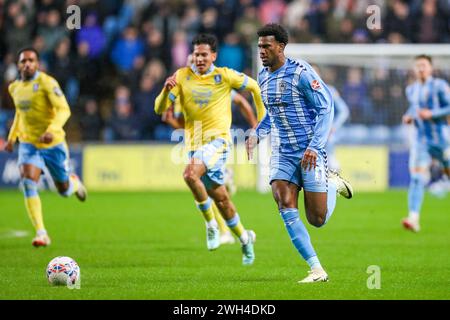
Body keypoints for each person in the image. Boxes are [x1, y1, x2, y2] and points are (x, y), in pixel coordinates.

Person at [246, 24, 353, 283]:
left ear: (281, 47)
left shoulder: (301, 72)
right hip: (282, 152)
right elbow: (272, 114)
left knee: (317, 219)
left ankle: (333, 182)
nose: (261, 51)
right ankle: (316, 269)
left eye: (266, 46)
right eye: (259, 46)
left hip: (309, 152)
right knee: (282, 201)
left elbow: (326, 108)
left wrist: (315, 146)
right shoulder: (263, 77)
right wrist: (257, 133)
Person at [155, 34, 265, 265]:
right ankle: (246, 240)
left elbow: (254, 87)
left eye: (204, 54)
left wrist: (259, 125)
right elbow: (160, 109)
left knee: (189, 174)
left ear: (213, 56)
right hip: (195, 146)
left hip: (219, 142)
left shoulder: (223, 76)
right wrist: (166, 91)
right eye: (196, 54)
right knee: (223, 200)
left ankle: (211, 226)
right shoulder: (182, 77)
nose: (200, 58)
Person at [162, 68, 258, 245]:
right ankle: (235, 233)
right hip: (195, 144)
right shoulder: (184, 92)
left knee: (198, 182)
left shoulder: (217, 84)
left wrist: (255, 127)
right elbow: (183, 127)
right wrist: (171, 121)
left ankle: (222, 230)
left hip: (216, 142)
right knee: (208, 190)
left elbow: (241, 102)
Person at [3, 47, 87, 247]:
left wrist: (52, 129)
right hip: (29, 143)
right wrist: (12, 136)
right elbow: (19, 114)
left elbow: (63, 109)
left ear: (37, 63)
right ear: (18, 65)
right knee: (28, 181)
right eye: (23, 61)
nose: (27, 64)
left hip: (53, 143)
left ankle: (74, 183)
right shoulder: (14, 88)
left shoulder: (47, 83)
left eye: (31, 60)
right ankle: (41, 232)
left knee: (63, 189)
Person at [402, 54, 450, 232]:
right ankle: (413, 218)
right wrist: (409, 116)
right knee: (416, 178)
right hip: (421, 140)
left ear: (430, 68)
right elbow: (415, 107)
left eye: (424, 65)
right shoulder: (411, 89)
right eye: (418, 66)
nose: (421, 68)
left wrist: (432, 114)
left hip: (442, 140)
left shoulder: (439, 86)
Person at [312, 64, 350, 172]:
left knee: (330, 164)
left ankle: (332, 166)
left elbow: (344, 111)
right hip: (309, 134)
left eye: (316, 73)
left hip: (326, 136)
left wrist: (333, 127)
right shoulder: (302, 92)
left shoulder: (329, 90)